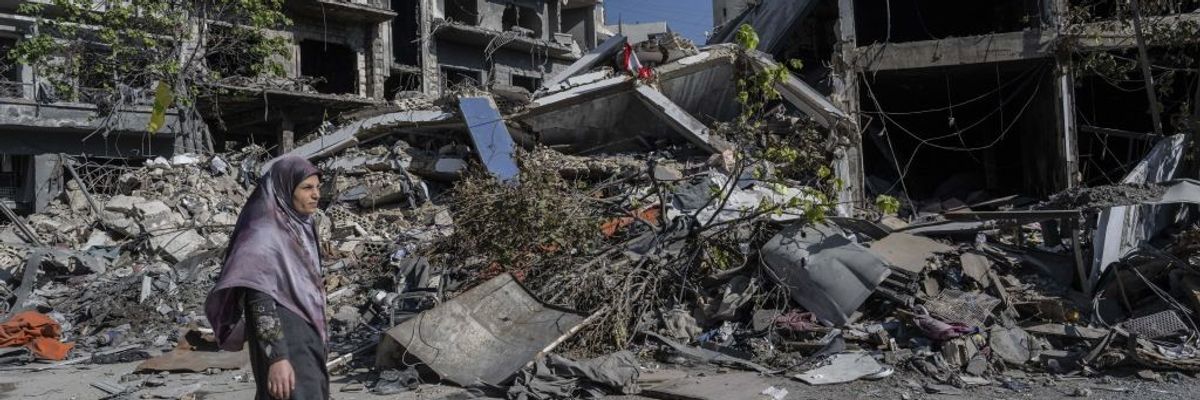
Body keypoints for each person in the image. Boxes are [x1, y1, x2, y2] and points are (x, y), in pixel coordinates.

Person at [205, 156, 328, 400]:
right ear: (285, 189)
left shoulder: (299, 225)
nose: (316, 195)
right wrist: (277, 357)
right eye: (306, 188)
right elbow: (259, 299)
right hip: (286, 336)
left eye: (317, 187)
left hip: (306, 333)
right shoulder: (263, 235)